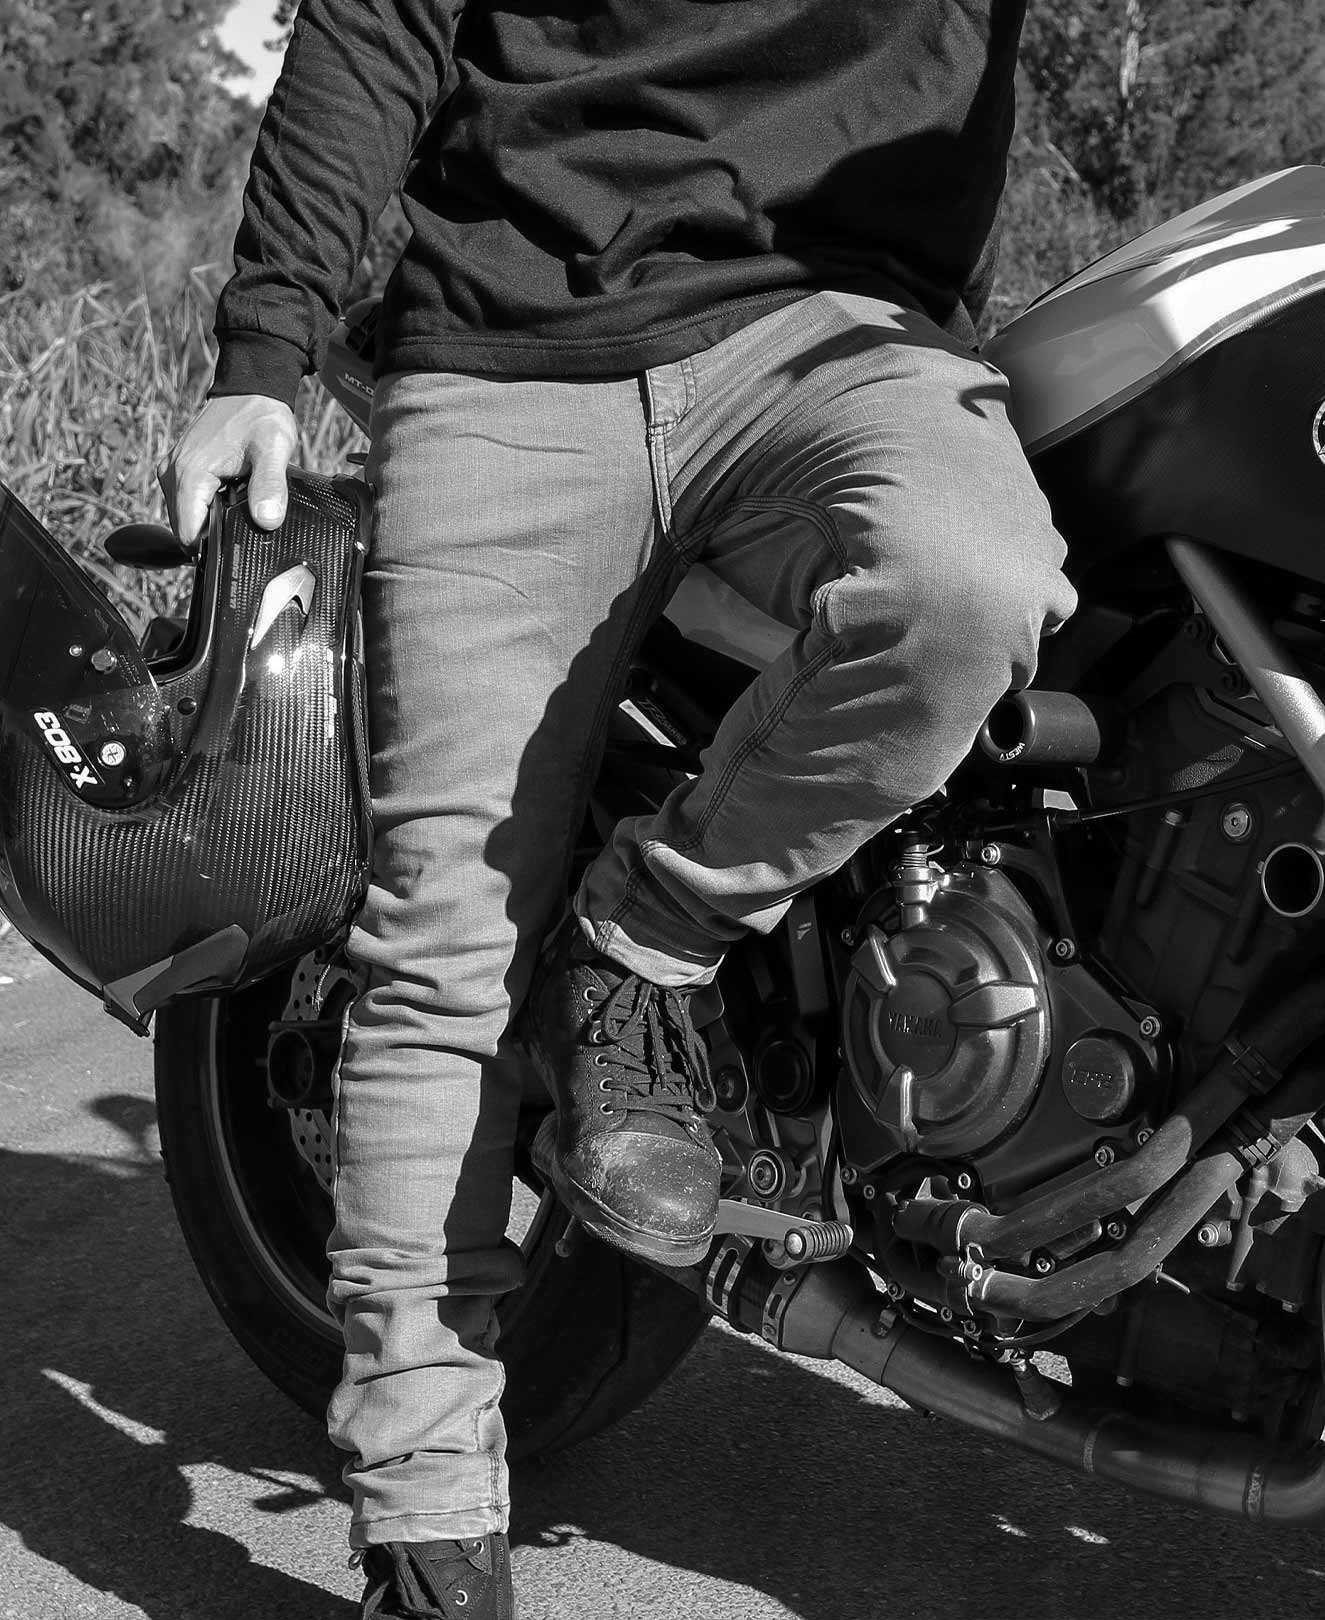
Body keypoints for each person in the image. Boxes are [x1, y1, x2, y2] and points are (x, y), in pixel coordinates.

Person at [161, 3, 1077, 1614]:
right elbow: (380, 25)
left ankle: (641, 945)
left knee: (969, 587)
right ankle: (427, 1510)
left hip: (837, 341)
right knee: (441, 945)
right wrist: (265, 349)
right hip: (505, 349)